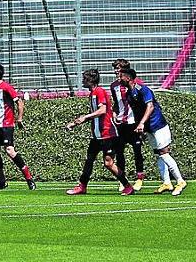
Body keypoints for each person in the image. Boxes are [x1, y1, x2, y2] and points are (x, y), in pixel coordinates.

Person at [65, 69, 133, 196]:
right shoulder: (92, 94)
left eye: (85, 79)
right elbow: (96, 115)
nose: (83, 81)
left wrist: (85, 117)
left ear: (91, 80)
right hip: (97, 136)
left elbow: (102, 111)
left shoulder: (99, 91)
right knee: (89, 160)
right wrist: (75, 123)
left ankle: (127, 186)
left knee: (108, 163)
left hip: (108, 134)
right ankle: (82, 186)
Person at [119, 66, 185, 196]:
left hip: (158, 125)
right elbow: (138, 112)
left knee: (164, 153)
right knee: (159, 154)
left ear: (128, 78)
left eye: (121, 76)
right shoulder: (128, 94)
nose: (119, 78)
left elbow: (150, 107)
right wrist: (140, 127)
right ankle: (166, 182)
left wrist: (142, 123)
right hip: (149, 128)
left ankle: (180, 181)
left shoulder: (143, 90)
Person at [110, 59, 146, 191]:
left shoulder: (135, 84)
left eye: (118, 68)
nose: (116, 71)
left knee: (137, 149)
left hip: (133, 122)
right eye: (115, 68)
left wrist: (142, 122)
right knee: (119, 152)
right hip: (120, 123)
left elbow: (143, 103)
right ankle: (123, 180)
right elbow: (116, 103)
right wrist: (114, 113)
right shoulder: (114, 86)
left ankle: (139, 178)